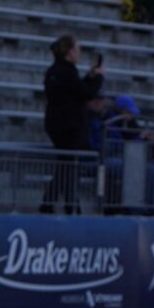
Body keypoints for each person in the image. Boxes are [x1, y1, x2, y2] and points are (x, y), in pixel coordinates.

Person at [40, 35, 104, 214]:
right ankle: (58, 204)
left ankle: (62, 204)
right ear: (70, 51)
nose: (79, 53)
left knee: (66, 166)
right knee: (67, 167)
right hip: (68, 127)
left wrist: (90, 77)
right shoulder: (66, 71)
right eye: (77, 49)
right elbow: (86, 93)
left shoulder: (57, 70)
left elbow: (76, 90)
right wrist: (98, 78)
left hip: (59, 125)